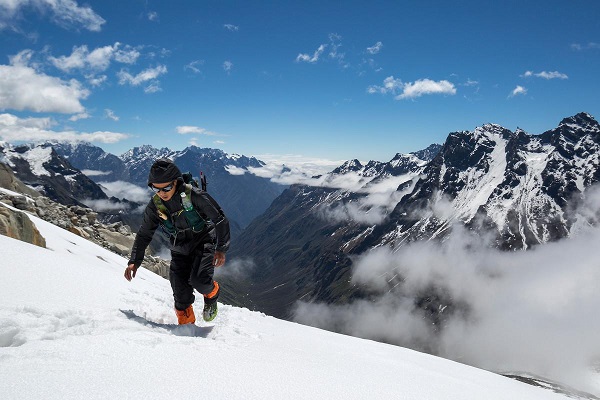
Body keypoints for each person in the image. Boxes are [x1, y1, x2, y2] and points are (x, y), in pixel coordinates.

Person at [124, 158, 230, 324]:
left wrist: (221, 248)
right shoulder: (155, 206)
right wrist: (134, 261)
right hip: (179, 247)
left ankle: (212, 293)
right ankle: (187, 331)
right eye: (156, 188)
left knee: (200, 281)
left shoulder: (194, 195)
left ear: (176, 182)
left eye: (166, 187)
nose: (162, 193)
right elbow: (145, 233)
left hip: (203, 240)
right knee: (180, 294)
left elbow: (220, 219)